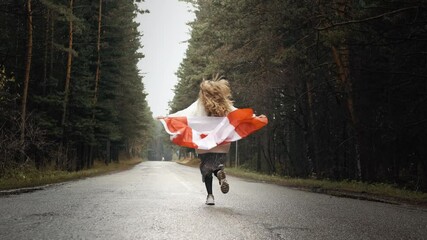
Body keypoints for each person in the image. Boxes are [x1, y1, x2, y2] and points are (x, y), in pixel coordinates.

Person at [158, 75, 266, 205]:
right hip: (222, 142)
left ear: (203, 92)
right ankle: (219, 172)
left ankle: (210, 196)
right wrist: (254, 117)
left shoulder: (199, 105)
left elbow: (184, 114)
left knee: (205, 167)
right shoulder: (225, 105)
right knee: (216, 163)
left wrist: (167, 117)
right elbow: (238, 113)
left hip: (204, 142)